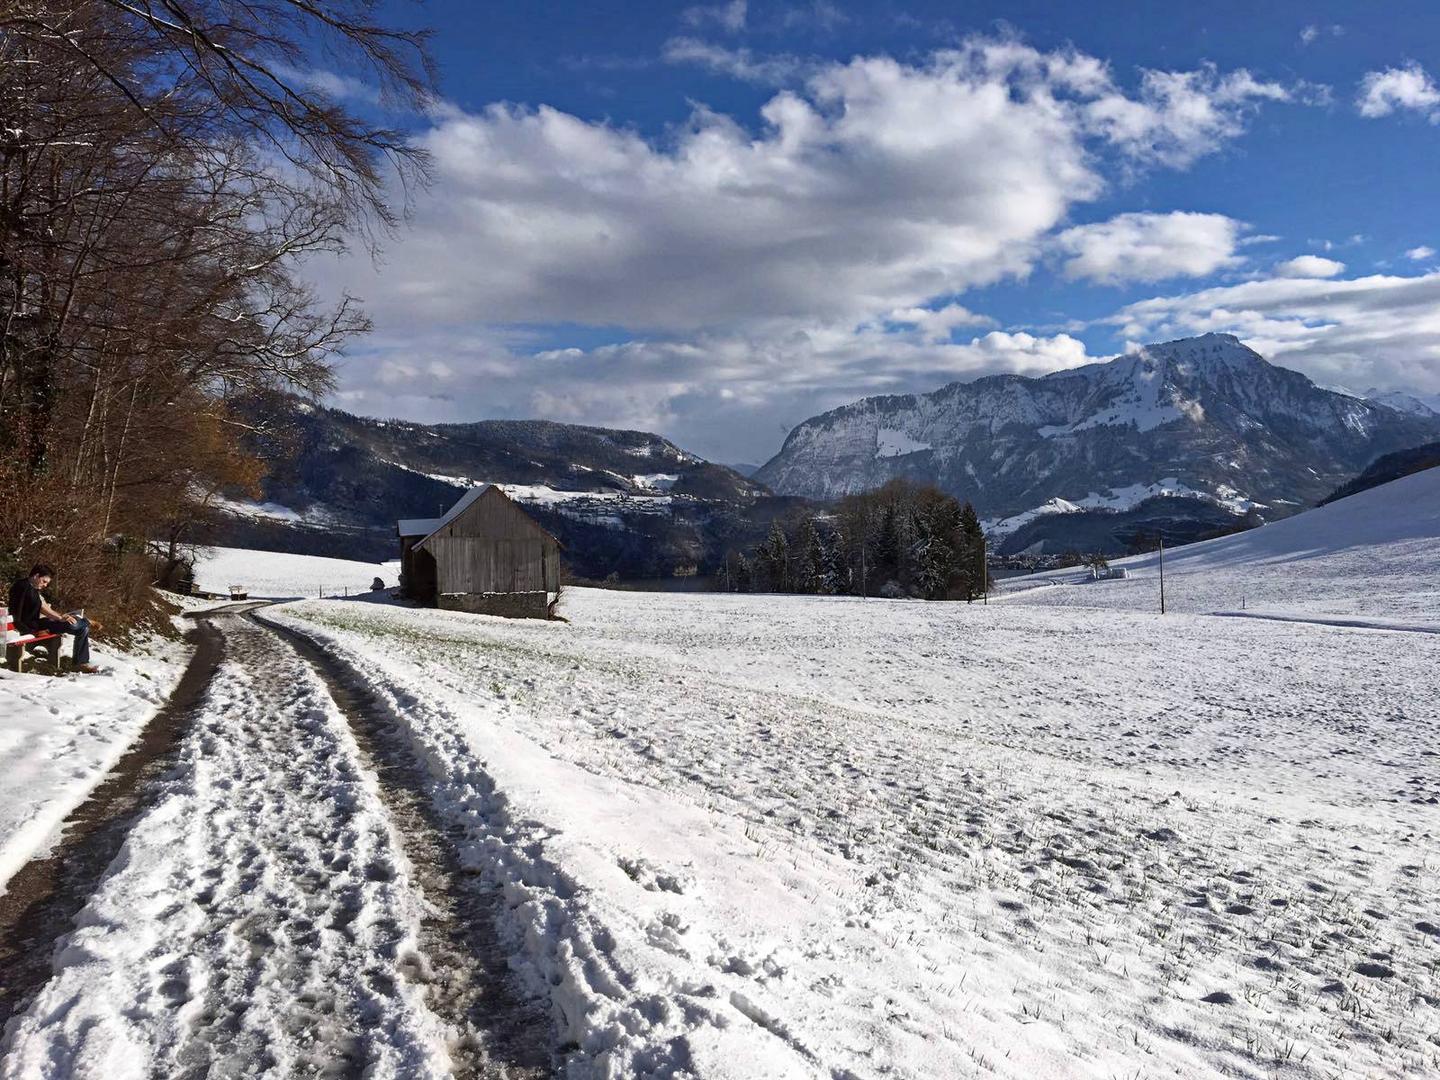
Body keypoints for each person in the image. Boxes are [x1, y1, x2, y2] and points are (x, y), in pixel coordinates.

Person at [7, 563, 98, 674]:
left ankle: (81, 663)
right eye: (44, 581)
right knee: (74, 625)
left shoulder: (33, 589)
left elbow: (43, 608)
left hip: (38, 624)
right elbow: (16, 614)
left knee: (82, 629)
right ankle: (86, 621)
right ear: (36, 576)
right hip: (33, 628)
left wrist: (60, 617)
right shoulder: (22, 587)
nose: (45, 585)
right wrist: (31, 632)